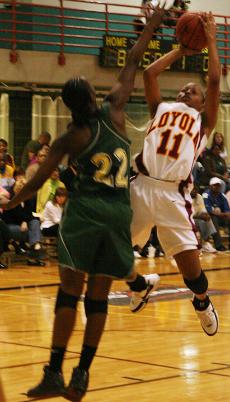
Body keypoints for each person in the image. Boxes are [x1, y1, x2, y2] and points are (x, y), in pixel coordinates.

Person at [0, 4, 168, 400]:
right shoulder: (116, 110)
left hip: (87, 214)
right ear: (91, 96)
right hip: (118, 214)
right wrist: (154, 26)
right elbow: (131, 61)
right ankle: (82, 375)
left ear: (68, 107)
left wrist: (10, 204)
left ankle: (55, 371)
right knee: (98, 298)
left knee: (68, 295)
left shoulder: (69, 137)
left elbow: (33, 183)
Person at [129, 12, 220, 336]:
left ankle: (201, 302)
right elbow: (150, 72)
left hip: (173, 195)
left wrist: (209, 40)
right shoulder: (162, 109)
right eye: (182, 89)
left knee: (192, 272)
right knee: (110, 249)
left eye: (191, 91)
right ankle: (139, 284)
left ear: (201, 103)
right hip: (140, 185)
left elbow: (212, 82)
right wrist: (181, 50)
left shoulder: (203, 122)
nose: (185, 92)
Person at [202, 177, 230, 251]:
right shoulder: (205, 194)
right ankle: (218, 245)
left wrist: (224, 214)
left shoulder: (222, 195)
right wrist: (222, 214)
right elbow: (209, 211)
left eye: (218, 185)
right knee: (213, 219)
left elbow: (227, 210)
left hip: (220, 216)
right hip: (208, 217)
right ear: (210, 186)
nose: (217, 187)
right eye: (215, 185)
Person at [191, 185, 217, 253]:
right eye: (193, 189)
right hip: (188, 219)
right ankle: (204, 243)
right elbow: (188, 215)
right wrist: (201, 216)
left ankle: (206, 244)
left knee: (207, 219)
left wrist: (206, 215)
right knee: (201, 220)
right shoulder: (186, 197)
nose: (194, 191)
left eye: (196, 190)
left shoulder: (199, 196)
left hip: (196, 217)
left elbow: (202, 209)